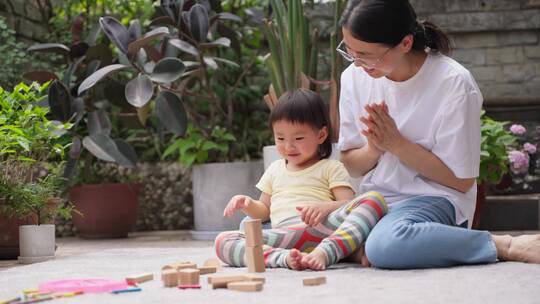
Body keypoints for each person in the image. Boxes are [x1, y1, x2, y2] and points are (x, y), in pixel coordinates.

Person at [337, 0, 540, 268]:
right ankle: (368, 242)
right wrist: (374, 149)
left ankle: (502, 244)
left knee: (386, 246)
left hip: (433, 199)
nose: (357, 63)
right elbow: (351, 163)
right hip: (373, 203)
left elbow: (461, 180)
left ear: (406, 43)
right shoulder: (354, 76)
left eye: (366, 54)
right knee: (288, 226)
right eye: (349, 51)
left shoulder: (453, 83)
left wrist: (397, 144)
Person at [215, 89, 387, 270]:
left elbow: (348, 203)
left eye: (298, 138)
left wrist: (325, 207)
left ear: (321, 135)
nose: (289, 146)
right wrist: (247, 203)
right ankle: (285, 258)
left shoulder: (330, 167)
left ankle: (327, 251)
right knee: (223, 241)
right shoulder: (275, 169)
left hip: (323, 230)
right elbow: (264, 211)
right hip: (283, 237)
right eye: (280, 138)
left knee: (374, 199)